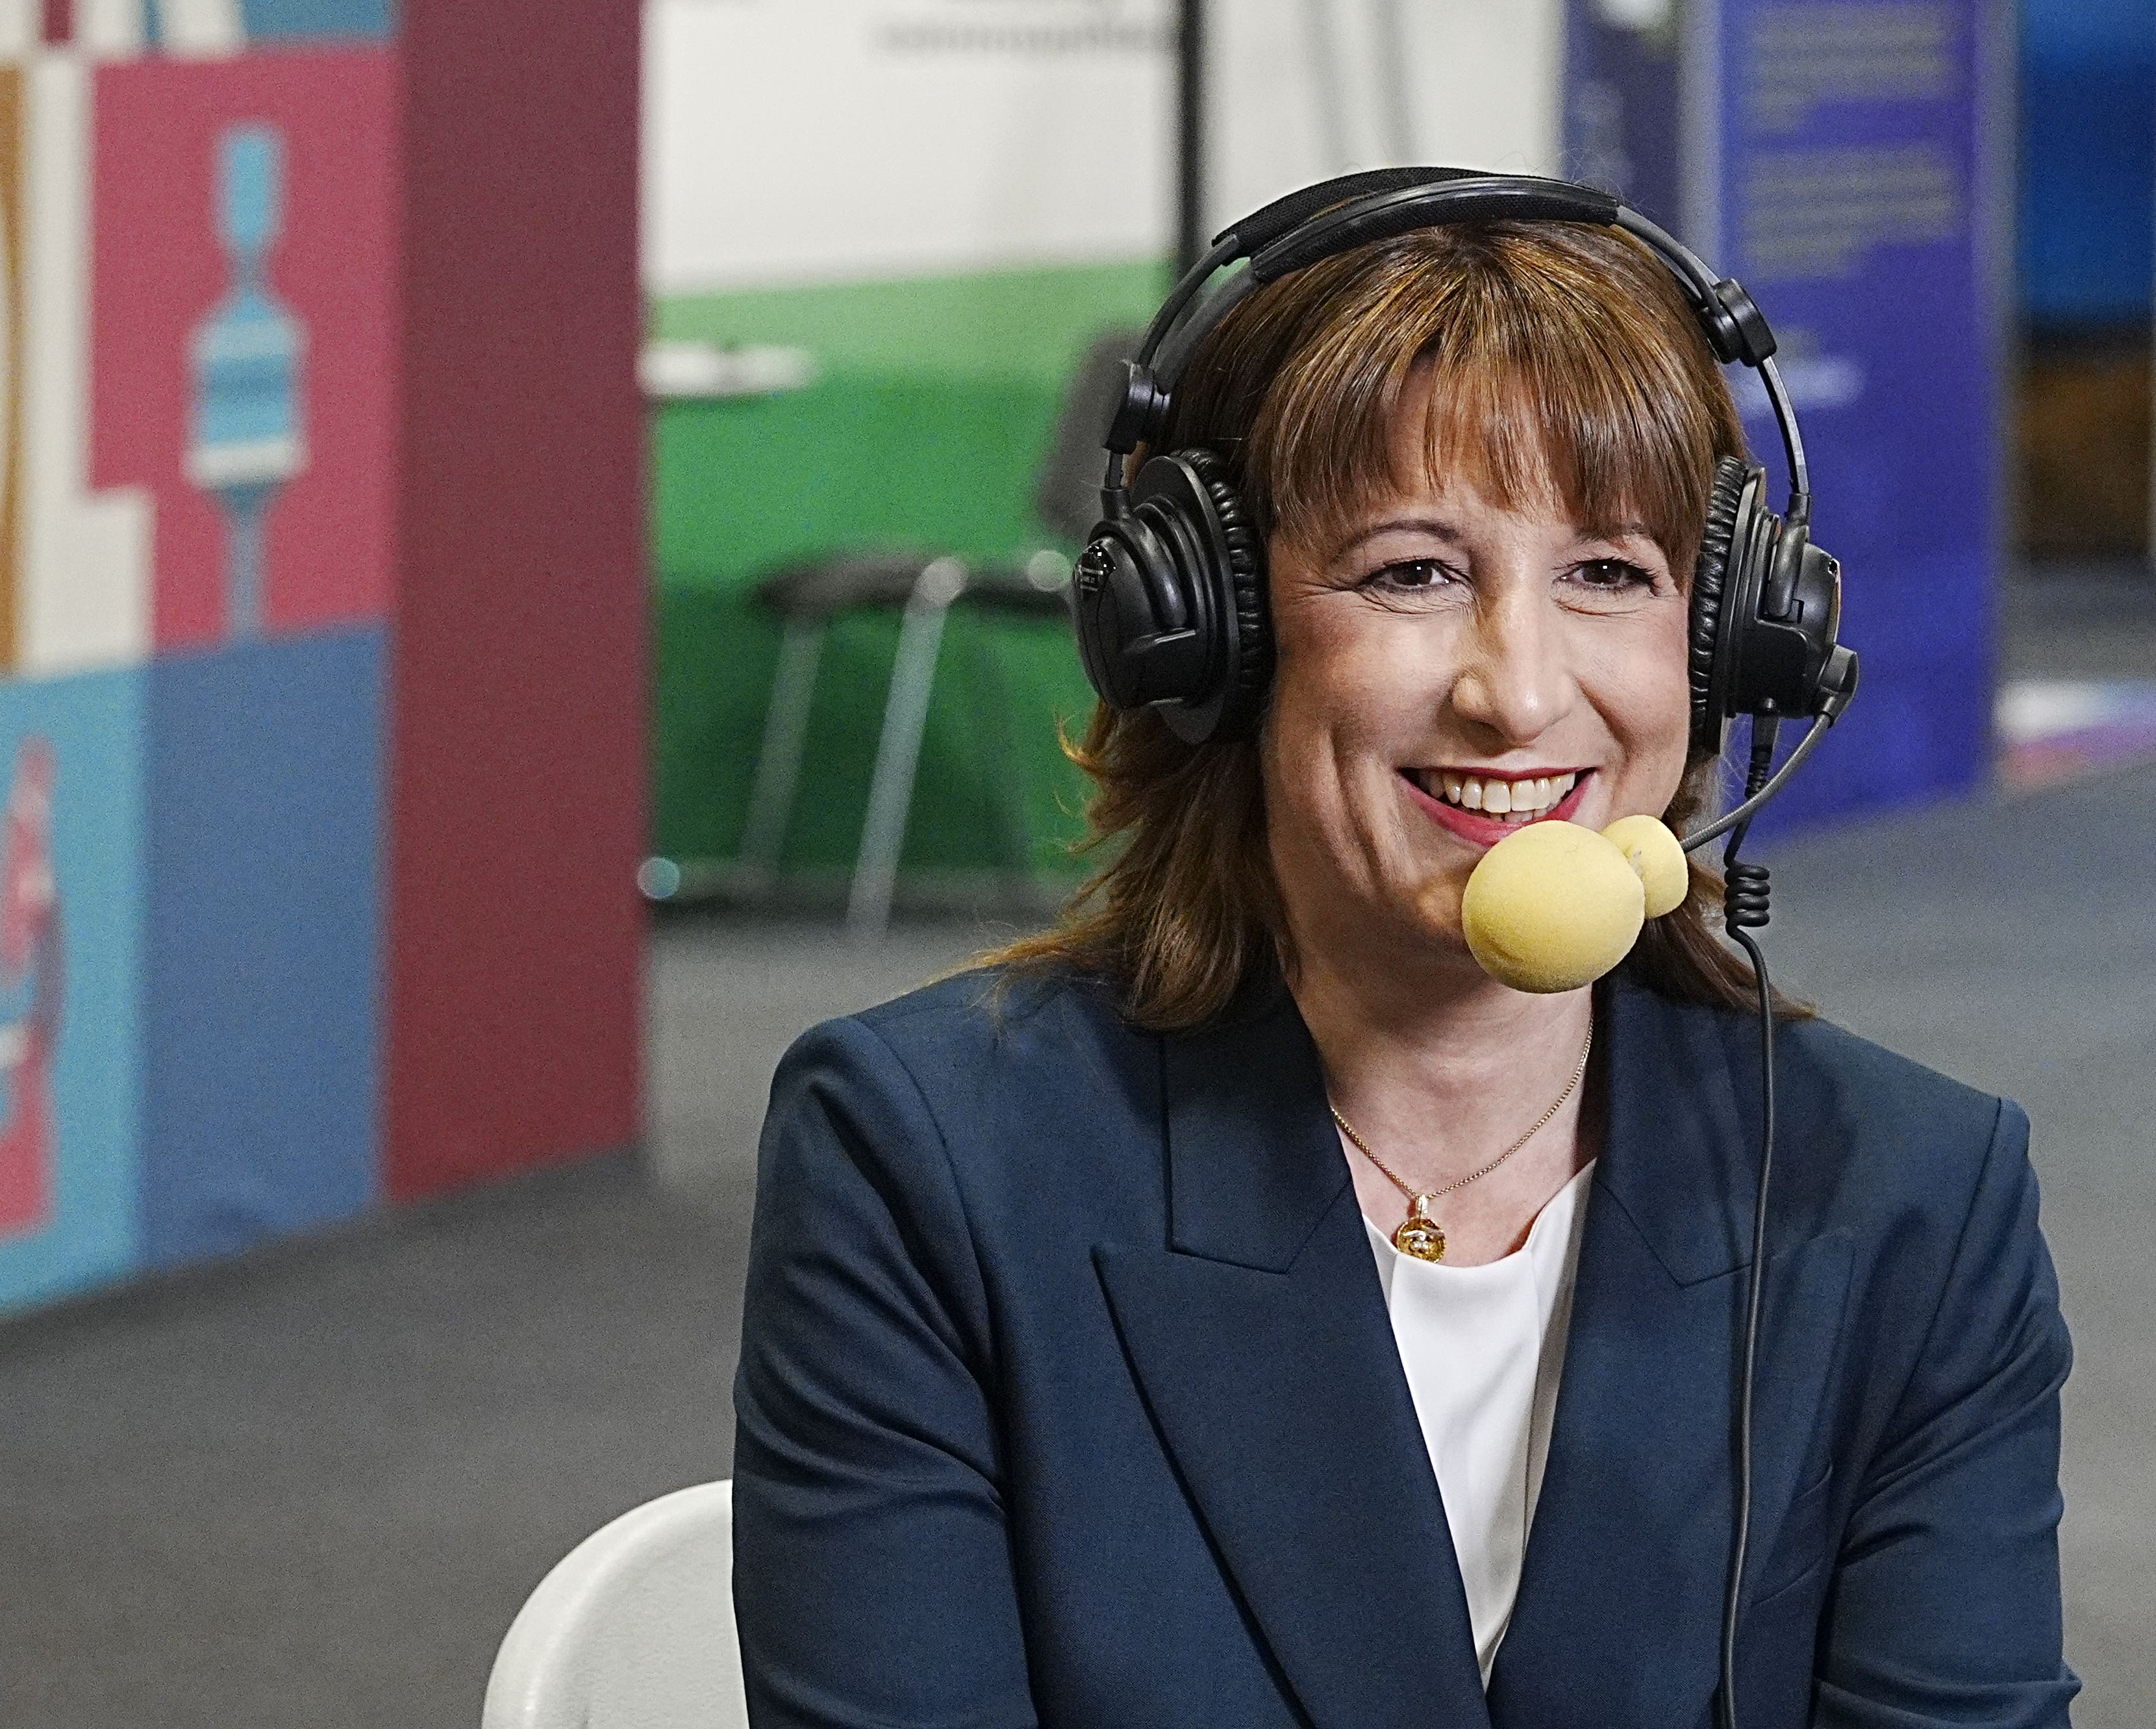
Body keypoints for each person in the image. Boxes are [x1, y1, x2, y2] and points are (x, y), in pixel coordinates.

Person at [731, 211, 2074, 1729]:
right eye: (1415, 570)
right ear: (1211, 635)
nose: (1519, 687)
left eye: (1609, 574)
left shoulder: (1903, 1191)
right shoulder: (936, 1156)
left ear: (1723, 647)